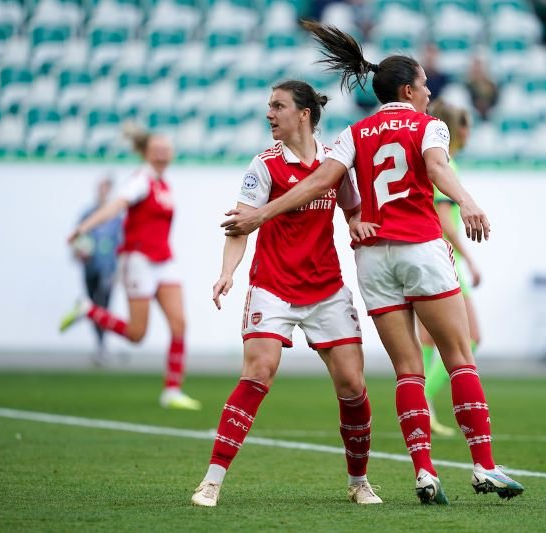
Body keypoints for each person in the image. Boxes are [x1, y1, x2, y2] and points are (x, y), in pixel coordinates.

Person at [219, 20, 524, 504]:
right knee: (460, 356)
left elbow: (319, 183)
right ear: (409, 88)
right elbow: (438, 167)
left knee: (407, 372)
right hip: (421, 247)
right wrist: (466, 201)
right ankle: (484, 466)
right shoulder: (430, 125)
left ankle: (425, 473)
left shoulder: (353, 133)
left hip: (373, 259)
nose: (428, 92)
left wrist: (261, 215)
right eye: (424, 84)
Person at [190, 80, 381, 508]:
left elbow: (351, 207)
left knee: (353, 385)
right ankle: (212, 481)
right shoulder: (264, 165)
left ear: (304, 114)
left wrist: (354, 223)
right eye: (268, 106)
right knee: (258, 372)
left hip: (326, 288)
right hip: (272, 285)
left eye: (277, 106)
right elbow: (241, 224)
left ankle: (359, 481)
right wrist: (227, 272)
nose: (269, 113)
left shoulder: (336, 163)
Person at [58, 126, 201, 411]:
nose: (162, 153)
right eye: (157, 149)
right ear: (146, 153)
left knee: (179, 324)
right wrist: (84, 228)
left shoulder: (163, 184)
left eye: (166, 148)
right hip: (138, 260)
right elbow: (117, 205)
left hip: (163, 259)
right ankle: (88, 309)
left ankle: (172, 391)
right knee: (137, 335)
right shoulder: (141, 181)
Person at [415, 99, 481, 437]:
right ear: (457, 128)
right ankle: (424, 399)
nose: (471, 132)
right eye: (467, 125)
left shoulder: (435, 162)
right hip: (446, 260)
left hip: (432, 258)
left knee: (429, 340)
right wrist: (469, 258)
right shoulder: (446, 166)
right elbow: (445, 221)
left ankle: (422, 406)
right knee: (472, 337)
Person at [72, 175, 123, 365]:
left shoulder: (115, 217)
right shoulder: (87, 214)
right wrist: (78, 251)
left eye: (106, 188)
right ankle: (99, 344)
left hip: (107, 268)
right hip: (90, 267)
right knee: (93, 307)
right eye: (100, 188)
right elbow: (78, 239)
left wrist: (120, 270)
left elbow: (121, 243)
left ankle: (103, 347)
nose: (103, 191)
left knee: (103, 305)